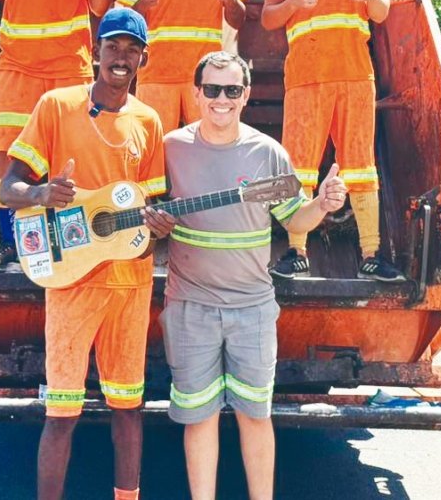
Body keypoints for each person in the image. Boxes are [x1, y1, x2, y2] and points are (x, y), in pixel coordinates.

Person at [146, 51, 346, 500]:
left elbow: (295, 219)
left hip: (252, 310)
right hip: (189, 307)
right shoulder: (171, 148)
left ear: (246, 95)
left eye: (232, 90)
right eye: (212, 89)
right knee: (198, 418)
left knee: (255, 416)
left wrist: (324, 204)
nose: (222, 99)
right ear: (196, 93)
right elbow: (147, 215)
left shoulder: (266, 153)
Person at [0, 8, 168, 500]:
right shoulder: (55, 105)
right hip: (71, 282)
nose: (121, 56)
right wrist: (41, 194)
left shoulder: (148, 121)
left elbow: (149, 208)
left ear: (143, 59)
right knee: (62, 413)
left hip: (129, 285)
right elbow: (10, 188)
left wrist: (159, 227)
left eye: (131, 49)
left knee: (128, 408)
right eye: (112, 46)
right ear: (95, 52)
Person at [0, 0, 117, 272]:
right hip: (17, 65)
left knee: (74, 157)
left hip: (68, 63)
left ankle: (76, 242)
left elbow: (99, 4)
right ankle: (12, 243)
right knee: (6, 156)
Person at [260, 0, 406, 282]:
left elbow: (382, 11)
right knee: (299, 165)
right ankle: (297, 252)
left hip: (355, 74)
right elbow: (267, 17)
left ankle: (371, 254)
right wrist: (295, 3)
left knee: (360, 165)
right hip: (305, 77)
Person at [118, 0, 254, 134]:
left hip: (205, 78)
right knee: (152, 153)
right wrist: (142, 3)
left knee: (208, 149)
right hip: (156, 74)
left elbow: (238, 21)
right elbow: (126, 25)